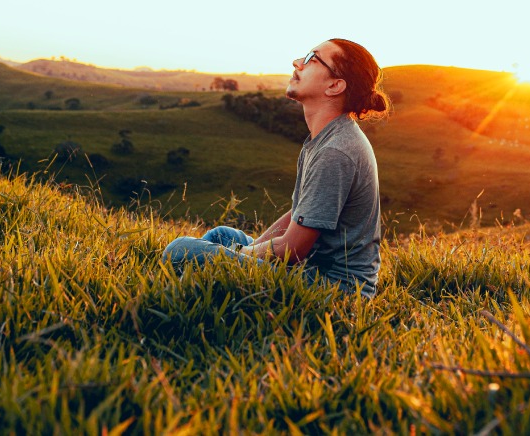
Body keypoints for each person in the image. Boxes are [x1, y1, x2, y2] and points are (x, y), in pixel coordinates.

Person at [162, 38, 391, 298]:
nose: (297, 63)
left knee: (179, 250)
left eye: (311, 58)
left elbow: (292, 250)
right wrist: (249, 252)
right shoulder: (329, 137)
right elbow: (299, 215)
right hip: (313, 270)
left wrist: (243, 255)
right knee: (222, 235)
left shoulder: (334, 151)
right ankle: (202, 289)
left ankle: (199, 291)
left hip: (335, 289)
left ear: (335, 86)